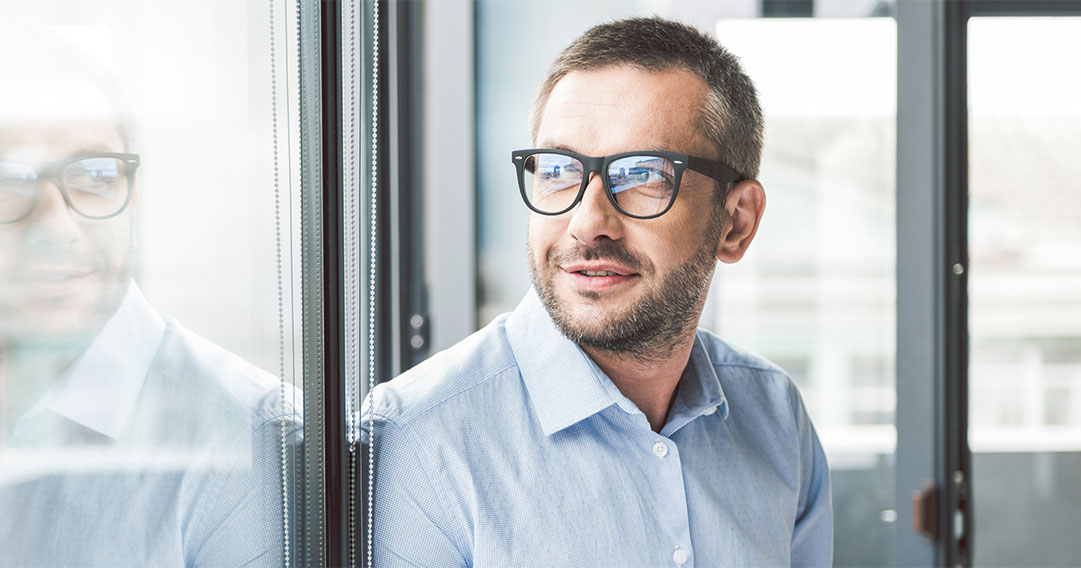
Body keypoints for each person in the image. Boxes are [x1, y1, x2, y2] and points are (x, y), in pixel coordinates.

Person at [364, 17, 832, 567]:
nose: (588, 223)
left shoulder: (775, 418)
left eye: (642, 175)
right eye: (559, 170)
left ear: (735, 222)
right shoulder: (417, 440)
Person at [0, 30, 295, 567]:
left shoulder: (255, 443)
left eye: (94, 175)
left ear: (133, 194)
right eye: (8, 179)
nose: (56, 226)